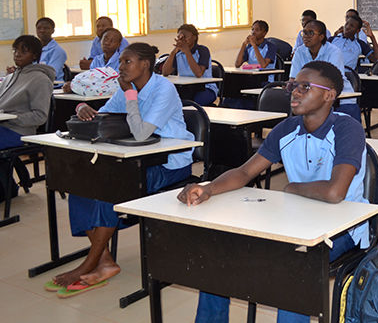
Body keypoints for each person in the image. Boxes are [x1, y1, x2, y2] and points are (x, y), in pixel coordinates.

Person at [180, 60, 368, 323]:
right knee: (218, 256)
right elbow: (245, 172)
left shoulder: (347, 128)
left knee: (292, 268)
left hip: (343, 228)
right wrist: (207, 188)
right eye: (293, 85)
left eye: (306, 86)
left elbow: (335, 193)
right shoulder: (286, 129)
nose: (295, 92)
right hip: (294, 221)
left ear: (329, 95)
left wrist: (292, 188)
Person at [48, 43, 193, 296]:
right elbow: (103, 116)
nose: (120, 67)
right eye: (121, 62)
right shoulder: (127, 87)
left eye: (127, 62)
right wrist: (81, 108)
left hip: (170, 163)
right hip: (136, 160)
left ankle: (90, 263)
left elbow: (140, 133)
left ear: (145, 65)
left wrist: (130, 97)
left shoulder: (163, 89)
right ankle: (104, 261)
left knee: (110, 189)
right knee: (80, 187)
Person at [291, 20, 361, 122]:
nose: (306, 36)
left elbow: (333, 82)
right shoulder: (299, 51)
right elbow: (293, 78)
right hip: (309, 95)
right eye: (304, 32)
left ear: (321, 36)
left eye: (310, 33)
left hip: (340, 97)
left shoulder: (334, 52)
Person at [0, 35, 55, 149]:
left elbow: (40, 116)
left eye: (23, 51)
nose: (17, 54)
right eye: (15, 50)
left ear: (34, 55)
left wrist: (11, 117)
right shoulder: (10, 77)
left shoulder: (41, 80)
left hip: (19, 132)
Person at [161, 24, 218, 106]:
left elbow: (198, 73)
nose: (182, 39)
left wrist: (187, 52)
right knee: (170, 100)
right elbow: (165, 72)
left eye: (185, 36)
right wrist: (173, 52)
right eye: (180, 36)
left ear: (194, 37)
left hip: (205, 88)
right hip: (186, 87)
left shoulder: (202, 50)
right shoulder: (178, 53)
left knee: (194, 103)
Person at [35, 17, 67, 81]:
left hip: (53, 86)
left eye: (46, 28)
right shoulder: (34, 49)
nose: (42, 30)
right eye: (39, 28)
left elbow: (52, 74)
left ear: (53, 31)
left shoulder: (58, 51)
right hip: (36, 83)